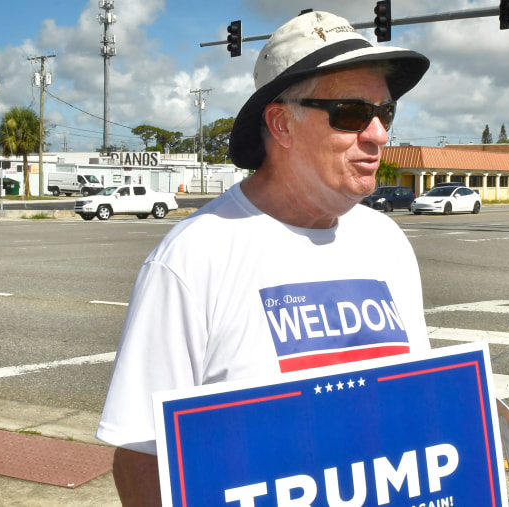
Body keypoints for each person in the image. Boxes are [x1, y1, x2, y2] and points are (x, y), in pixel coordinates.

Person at [97, 10, 430, 505]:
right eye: (352, 114)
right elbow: (141, 455)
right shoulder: (193, 256)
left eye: (385, 113)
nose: (378, 135)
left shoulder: (387, 243)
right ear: (281, 124)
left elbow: (416, 411)